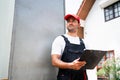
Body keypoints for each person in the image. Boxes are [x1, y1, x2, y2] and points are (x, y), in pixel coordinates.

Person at [51, 14, 88, 80]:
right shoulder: (60, 39)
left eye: (73, 21)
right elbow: (54, 61)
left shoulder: (84, 42)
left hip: (82, 77)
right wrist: (71, 65)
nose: (70, 23)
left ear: (79, 25)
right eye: (68, 21)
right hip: (65, 77)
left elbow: (88, 61)